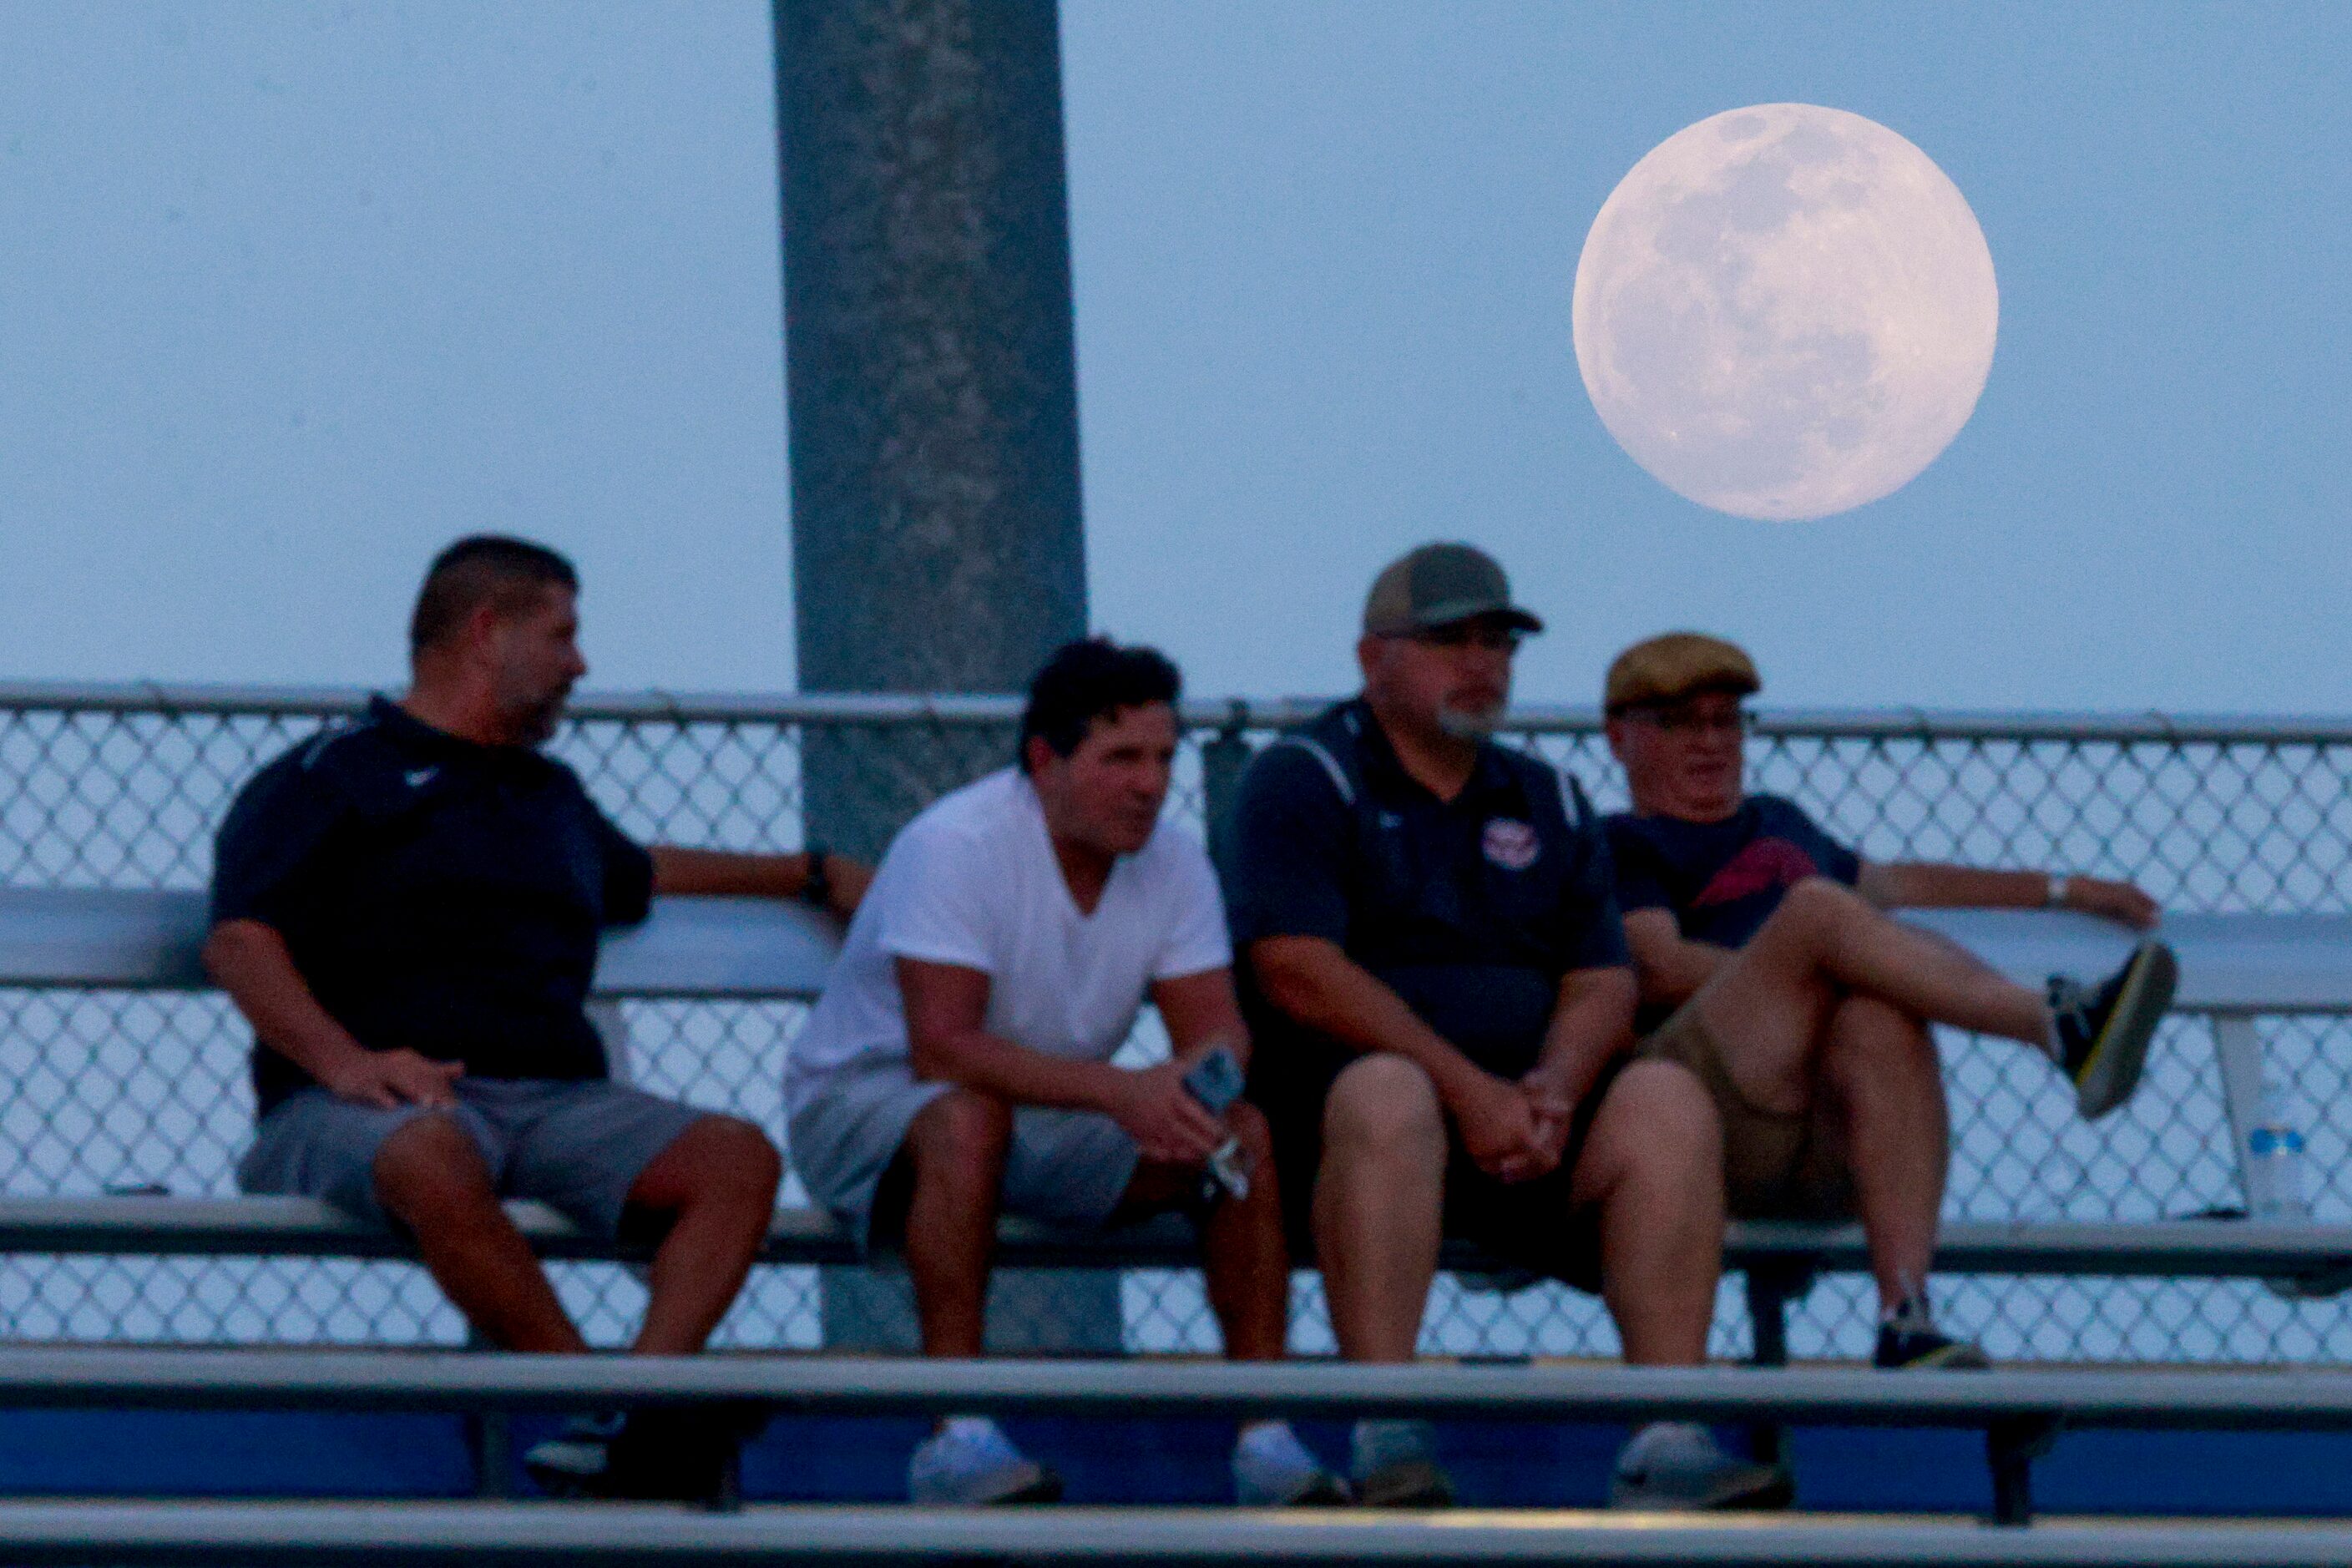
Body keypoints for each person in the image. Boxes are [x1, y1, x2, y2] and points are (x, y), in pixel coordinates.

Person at [205, 535, 867, 1500]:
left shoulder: (545, 792)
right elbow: (240, 941)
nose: (580, 664)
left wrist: (808, 874)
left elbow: (640, 871)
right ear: (487, 632)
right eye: (563, 635)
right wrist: (348, 1064)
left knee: (736, 1158)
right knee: (432, 1152)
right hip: (358, 1110)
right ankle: (601, 1408)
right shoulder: (329, 776)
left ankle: (637, 1408)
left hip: (555, 1100)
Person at [1225, 543, 1788, 1512]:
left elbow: (1602, 979)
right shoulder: (1304, 776)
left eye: (1498, 641)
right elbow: (1297, 971)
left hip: (1530, 1128)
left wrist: (1555, 1090)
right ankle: (1386, 1431)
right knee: (1387, 1089)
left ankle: (1665, 1433)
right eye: (1451, 640)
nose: (1482, 662)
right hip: (1354, 1139)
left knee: (1663, 1097)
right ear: (1373, 660)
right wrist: (1467, 1090)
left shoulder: (1548, 794)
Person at [786, 637, 1340, 1508]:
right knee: (968, 1116)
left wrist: (1199, 1091)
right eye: (1121, 757)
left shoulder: (1175, 860)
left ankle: (1265, 1440)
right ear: (1045, 760)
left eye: (1163, 757)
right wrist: (1127, 1091)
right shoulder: (955, 844)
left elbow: (1217, 1029)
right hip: (867, 1105)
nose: (1151, 783)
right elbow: (944, 1049)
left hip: (1040, 1109)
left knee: (1243, 1139)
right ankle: (954, 1434)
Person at [1601, 631, 2176, 1368]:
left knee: (1877, 1013)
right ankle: (2051, 1025)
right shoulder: (1620, 842)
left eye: (1725, 721)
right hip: (1700, 1123)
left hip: (1824, 1139)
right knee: (1817, 915)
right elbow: (1659, 966)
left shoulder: (1781, 823)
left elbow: (1902, 885)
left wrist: (2065, 889)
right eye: (1680, 723)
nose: (1710, 743)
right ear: (1619, 738)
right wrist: (1798, 964)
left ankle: (1904, 1315)